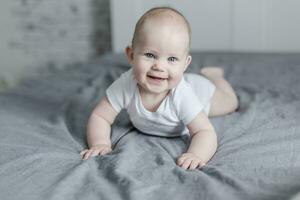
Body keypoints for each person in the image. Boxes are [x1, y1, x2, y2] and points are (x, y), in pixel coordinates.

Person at [80, 7, 238, 170]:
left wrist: (196, 155)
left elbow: (204, 131)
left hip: (203, 94)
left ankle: (215, 76)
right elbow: (100, 116)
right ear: (131, 55)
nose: (159, 66)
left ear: (185, 64)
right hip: (178, 81)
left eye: (172, 58)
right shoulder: (127, 84)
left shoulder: (183, 96)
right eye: (150, 55)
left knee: (231, 103)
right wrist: (100, 143)